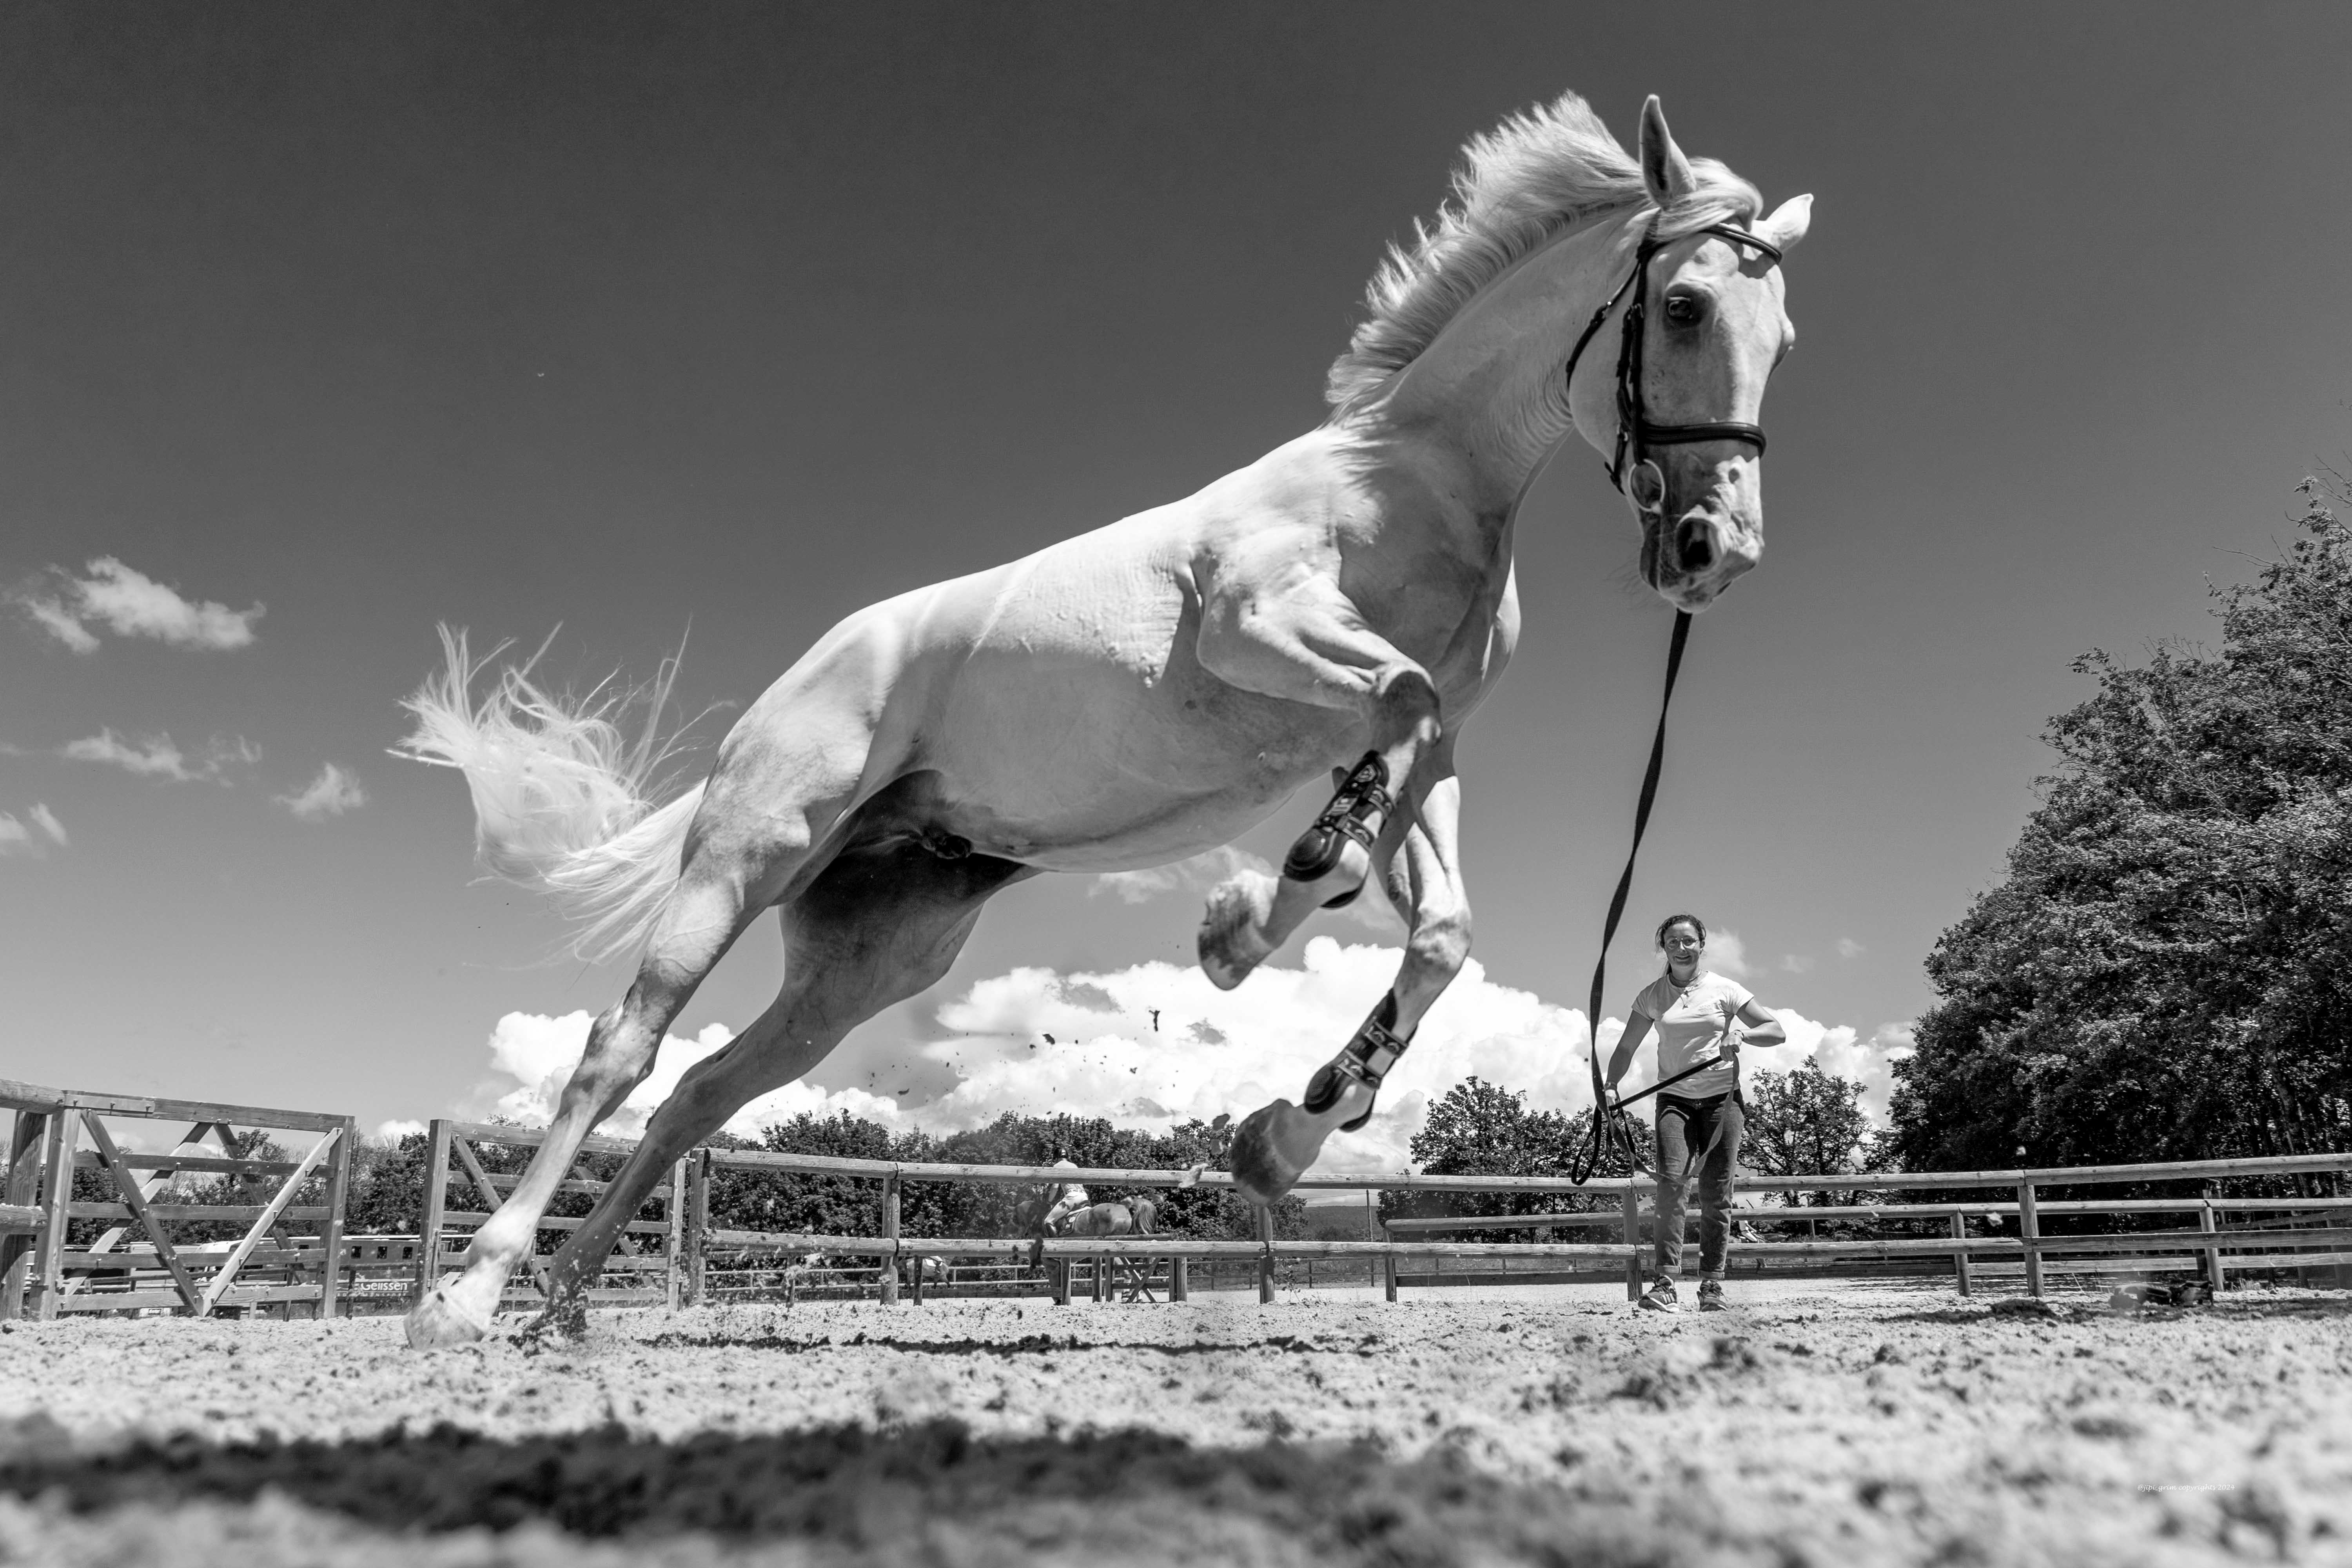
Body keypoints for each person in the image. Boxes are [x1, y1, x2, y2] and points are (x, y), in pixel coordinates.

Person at [1604, 913, 1786, 1313]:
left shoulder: (1726, 989)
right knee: (1671, 1188)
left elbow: (1776, 1030)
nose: (1681, 947)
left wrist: (1742, 1034)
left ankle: (1712, 1286)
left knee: (1716, 1195)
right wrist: (1609, 1086)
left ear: (1702, 943)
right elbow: (1625, 1048)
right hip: (1675, 1100)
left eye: (1688, 940)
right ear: (1663, 947)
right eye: (1672, 941)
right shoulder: (1652, 995)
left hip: (1723, 1101)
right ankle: (1666, 1282)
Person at [1040, 1157, 1090, 1234]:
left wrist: (1049, 1202)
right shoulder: (1074, 1166)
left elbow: (1055, 1187)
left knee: (1048, 1221)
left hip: (1072, 1197)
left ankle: (1054, 1244)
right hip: (1084, 1196)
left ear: (1056, 1158)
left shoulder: (1057, 1166)